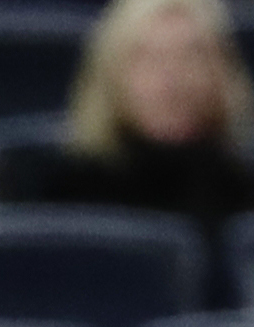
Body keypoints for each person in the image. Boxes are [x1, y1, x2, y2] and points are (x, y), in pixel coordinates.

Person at [44, 0, 254, 235]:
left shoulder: (243, 194)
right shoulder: (63, 204)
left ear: (221, 74)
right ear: (110, 75)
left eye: (192, 56)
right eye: (151, 59)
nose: (173, 79)